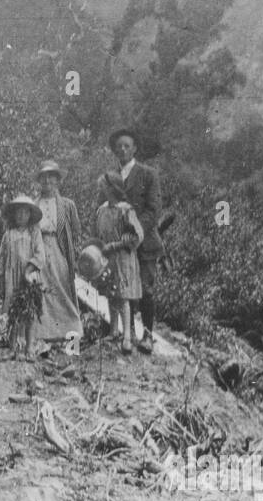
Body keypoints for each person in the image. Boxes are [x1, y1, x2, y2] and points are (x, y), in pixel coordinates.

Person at [99, 126, 165, 354]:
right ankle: (125, 332)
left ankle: (147, 335)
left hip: (143, 243)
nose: (123, 150)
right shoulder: (111, 177)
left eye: (127, 146)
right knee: (120, 287)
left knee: (145, 289)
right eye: (119, 147)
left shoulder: (148, 174)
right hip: (119, 246)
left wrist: (133, 230)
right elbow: (105, 206)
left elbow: (154, 210)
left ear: (135, 148)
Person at [32, 160, 83, 344]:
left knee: (64, 292)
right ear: (39, 181)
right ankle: (44, 340)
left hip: (60, 248)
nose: (47, 181)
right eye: (43, 177)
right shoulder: (33, 204)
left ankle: (72, 344)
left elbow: (76, 232)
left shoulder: (67, 205)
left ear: (57, 180)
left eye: (51, 176)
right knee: (42, 294)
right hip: (40, 250)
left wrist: (75, 257)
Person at [94, 172, 145, 354]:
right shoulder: (102, 210)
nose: (101, 189)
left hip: (122, 258)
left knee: (123, 296)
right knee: (111, 292)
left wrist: (116, 244)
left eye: (103, 186)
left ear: (112, 188)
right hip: (108, 259)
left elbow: (138, 235)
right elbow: (98, 234)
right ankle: (113, 330)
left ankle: (127, 337)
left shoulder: (125, 210)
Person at [0, 195, 45, 360]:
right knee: (13, 312)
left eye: (25, 213)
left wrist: (29, 270)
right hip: (12, 277)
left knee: (29, 312)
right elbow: (1, 259)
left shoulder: (34, 233)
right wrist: (1, 281)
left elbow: (40, 255)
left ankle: (30, 347)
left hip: (29, 277)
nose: (21, 216)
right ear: (13, 215)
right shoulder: (8, 235)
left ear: (30, 215)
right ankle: (12, 346)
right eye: (18, 212)